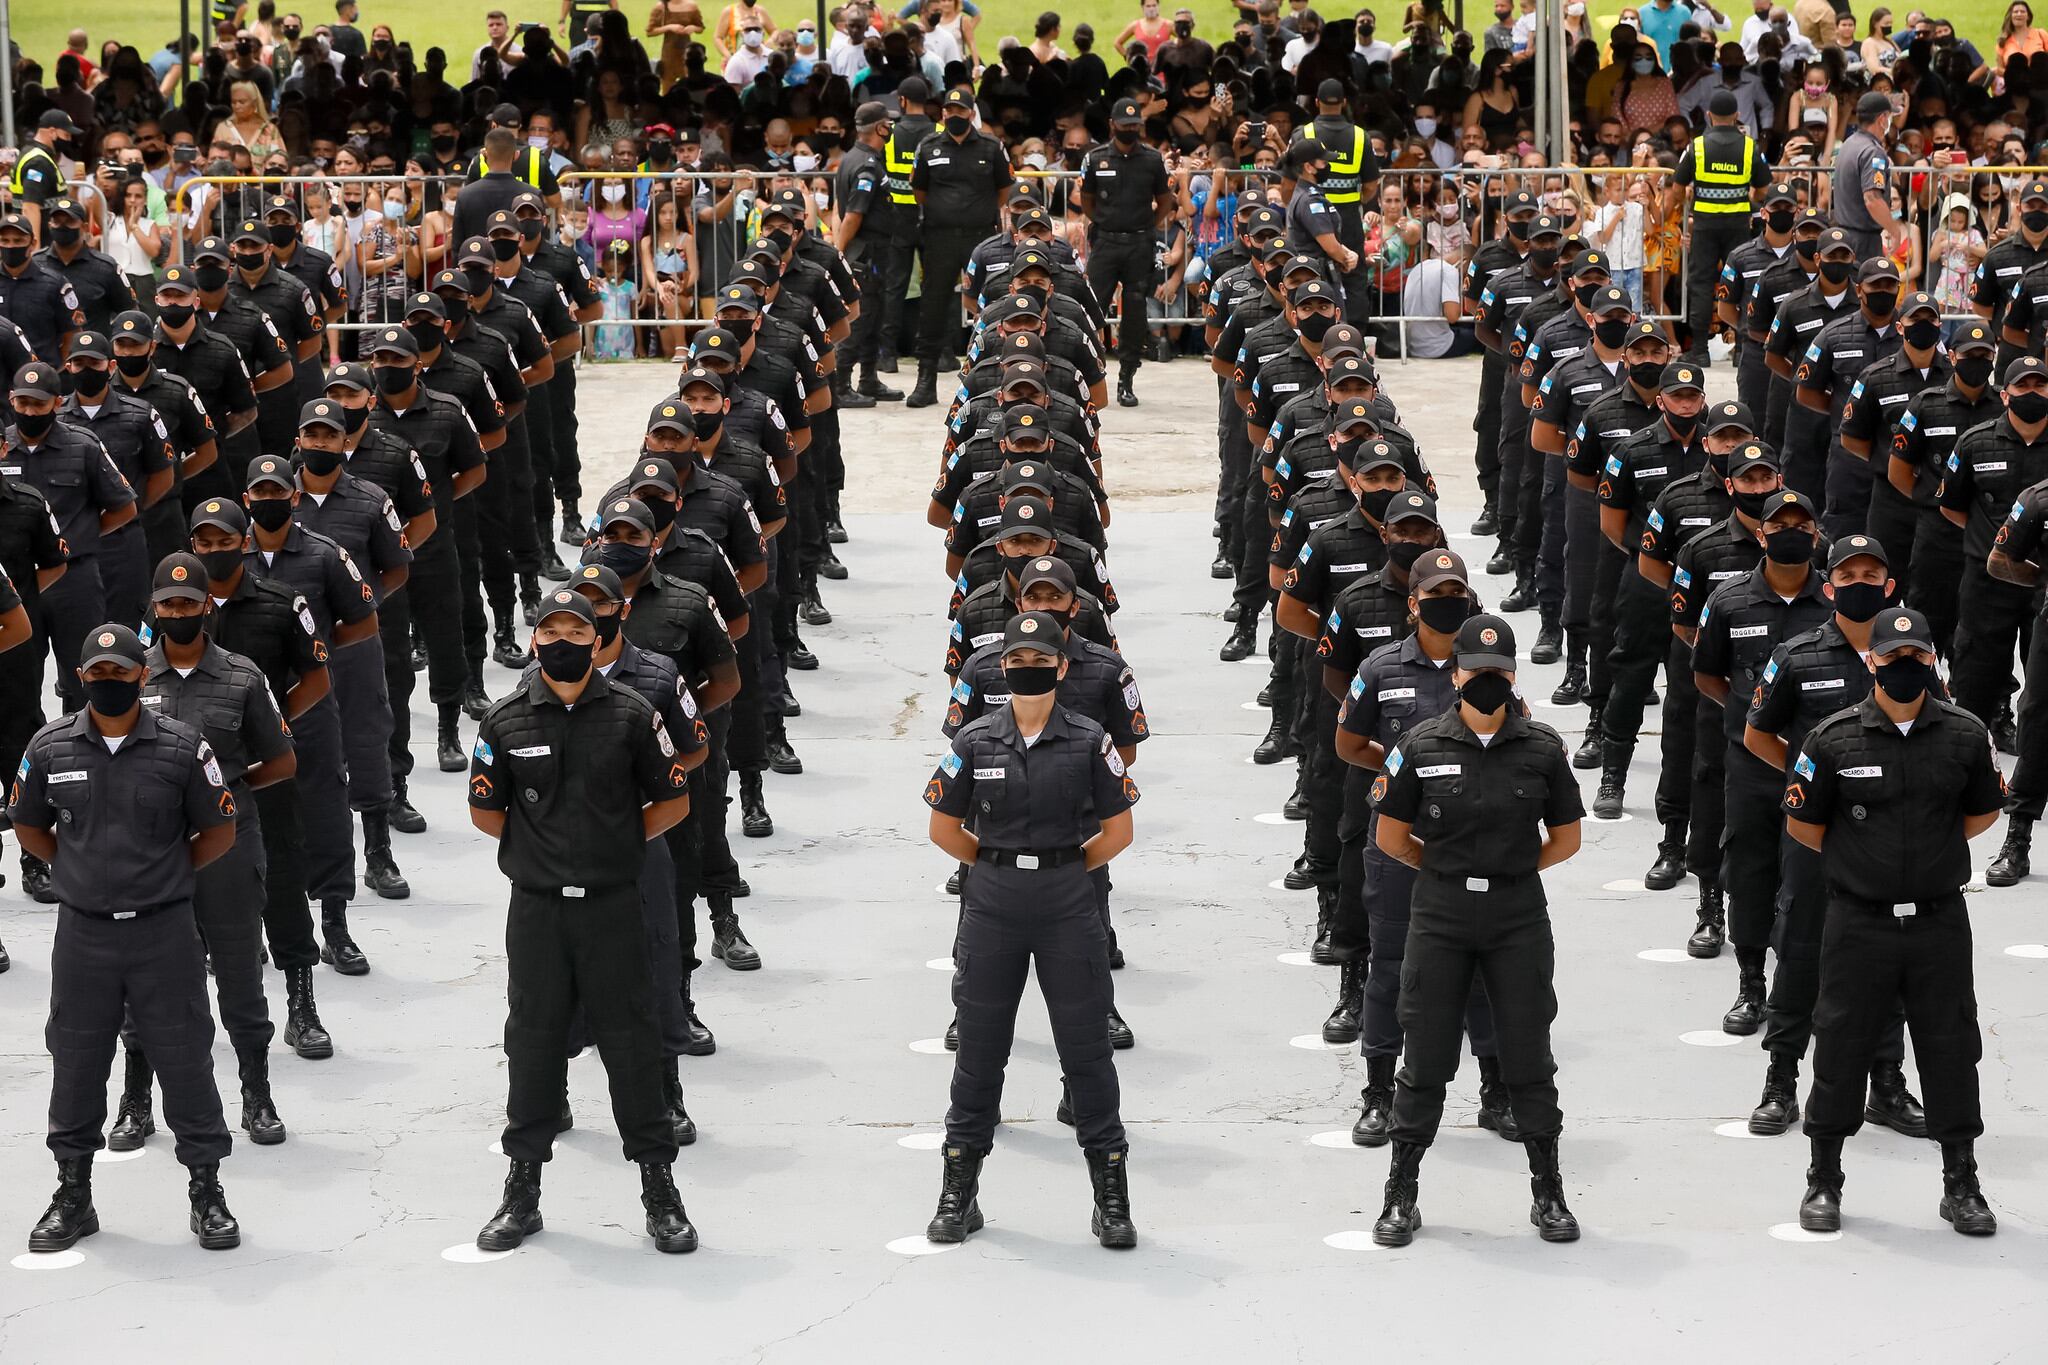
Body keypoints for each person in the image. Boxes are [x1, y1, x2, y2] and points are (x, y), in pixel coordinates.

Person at [468, 587, 697, 1255]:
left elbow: (671, 799)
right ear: (535, 640)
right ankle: (524, 1187)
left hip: (612, 907)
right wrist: (541, 855)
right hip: (539, 912)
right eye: (551, 629)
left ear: (598, 639)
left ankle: (660, 1190)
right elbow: (487, 812)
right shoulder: (506, 721)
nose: (563, 639)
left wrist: (617, 851)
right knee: (532, 1043)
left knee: (632, 1043)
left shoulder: (631, 714)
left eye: (577, 628)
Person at [13, 622, 244, 1253]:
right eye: (97, 674)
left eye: (121, 673)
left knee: (185, 1057)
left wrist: (164, 876)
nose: (109, 683)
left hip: (163, 933)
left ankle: (206, 1191)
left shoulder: (181, 748)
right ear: (80, 679)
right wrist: (77, 872)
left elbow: (218, 829)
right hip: (84, 936)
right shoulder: (50, 747)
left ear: (143, 676)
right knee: (77, 1060)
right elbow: (29, 826)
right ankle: (73, 1194)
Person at [1365, 612, 1584, 1246]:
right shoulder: (1419, 745)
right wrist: (1448, 873)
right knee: (1426, 1054)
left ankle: (1549, 1191)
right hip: (1441, 916)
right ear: (1456, 673)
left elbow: (1566, 837)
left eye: (1499, 671)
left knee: (1528, 1053)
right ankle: (1400, 1192)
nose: (1486, 680)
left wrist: (1509, 871)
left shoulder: (1542, 748)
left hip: (1517, 918)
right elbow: (1390, 835)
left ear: (1512, 678)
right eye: (1476, 670)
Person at [922, 610, 1140, 1248]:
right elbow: (942, 826)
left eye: (1040, 662)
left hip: (1067, 900)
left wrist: (1064, 868)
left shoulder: (1089, 737)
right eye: (1016, 664)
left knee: (1086, 1049)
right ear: (1003, 669)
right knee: (981, 1048)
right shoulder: (975, 740)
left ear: (1062, 666)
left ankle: (1111, 1196)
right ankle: (958, 1191)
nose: (1028, 672)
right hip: (992, 902)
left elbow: (1118, 831)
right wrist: (994, 865)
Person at [1786, 607, 2003, 1237]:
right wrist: (1868, 865)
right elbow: (1805, 822)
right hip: (1859, 923)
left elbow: (1981, 812)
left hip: (1938, 922)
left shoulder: (1964, 734)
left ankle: (1960, 1181)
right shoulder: (1833, 737)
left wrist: (1925, 859)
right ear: (1872, 663)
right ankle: (1824, 1176)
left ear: (1931, 662)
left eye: (1917, 658)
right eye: (1892, 658)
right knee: (1842, 1044)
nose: (1905, 668)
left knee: (1951, 1046)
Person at [907, 87, 1015, 408]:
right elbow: (920, 190)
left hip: (980, 237)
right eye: (949, 110)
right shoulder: (928, 146)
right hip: (940, 238)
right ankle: (925, 379)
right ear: (943, 114)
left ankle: (992, 375)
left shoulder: (991, 146)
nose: (954, 115)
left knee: (990, 303)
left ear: (971, 113)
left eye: (960, 110)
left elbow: (1004, 189)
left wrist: (978, 214)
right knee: (933, 306)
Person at [1080, 98, 1171, 407]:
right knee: (1092, 309)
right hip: (1106, 242)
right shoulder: (1096, 158)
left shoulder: (1152, 159)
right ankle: (1087, 373)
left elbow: (1165, 200)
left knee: (1134, 311)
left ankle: (1127, 378)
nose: (1130, 130)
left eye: (1135, 126)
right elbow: (1088, 200)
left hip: (1139, 243)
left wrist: (1146, 226)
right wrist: (1107, 224)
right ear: (1112, 125)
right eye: (1125, 125)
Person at [1674, 89, 1767, 365]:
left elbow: (1678, 189)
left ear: (1709, 116)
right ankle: (1741, 349)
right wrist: (1746, 197)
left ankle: (1700, 350)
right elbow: (1763, 189)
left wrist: (1691, 197)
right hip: (1738, 226)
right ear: (1737, 116)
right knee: (1742, 284)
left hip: (1704, 225)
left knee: (1701, 284)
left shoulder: (1696, 147)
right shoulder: (1750, 147)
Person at [834, 101, 913, 401]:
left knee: (874, 317)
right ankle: (841, 384)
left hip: (873, 252)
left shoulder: (852, 158)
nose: (891, 128)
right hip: (865, 254)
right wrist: (839, 255)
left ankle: (868, 379)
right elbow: (853, 214)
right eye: (888, 123)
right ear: (879, 128)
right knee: (862, 319)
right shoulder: (866, 165)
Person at [1832, 92, 1905, 262]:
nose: (1889, 123)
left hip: (1844, 235)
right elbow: (1872, 198)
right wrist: (1894, 230)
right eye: (1889, 117)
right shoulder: (1873, 152)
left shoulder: (1848, 144)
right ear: (1881, 119)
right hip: (1863, 241)